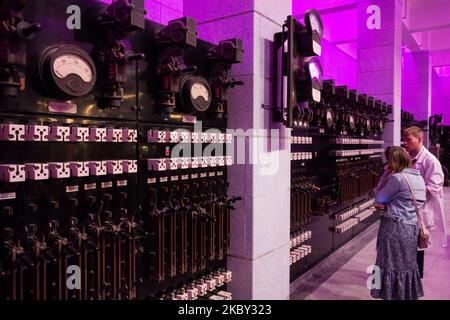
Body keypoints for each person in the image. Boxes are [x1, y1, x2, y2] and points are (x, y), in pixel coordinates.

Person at [371, 146, 426, 300]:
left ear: (392, 162)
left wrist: (384, 176)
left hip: (394, 228)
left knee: (389, 265)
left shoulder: (397, 178)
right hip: (411, 229)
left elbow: (379, 198)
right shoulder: (418, 177)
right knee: (406, 265)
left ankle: (390, 296)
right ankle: (405, 295)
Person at [403, 126, 447, 248]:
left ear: (420, 139)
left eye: (409, 140)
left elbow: (433, 187)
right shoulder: (409, 157)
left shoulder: (431, 161)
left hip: (423, 209)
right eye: (404, 140)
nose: (405, 143)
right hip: (409, 211)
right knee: (408, 251)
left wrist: (407, 195)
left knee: (418, 250)